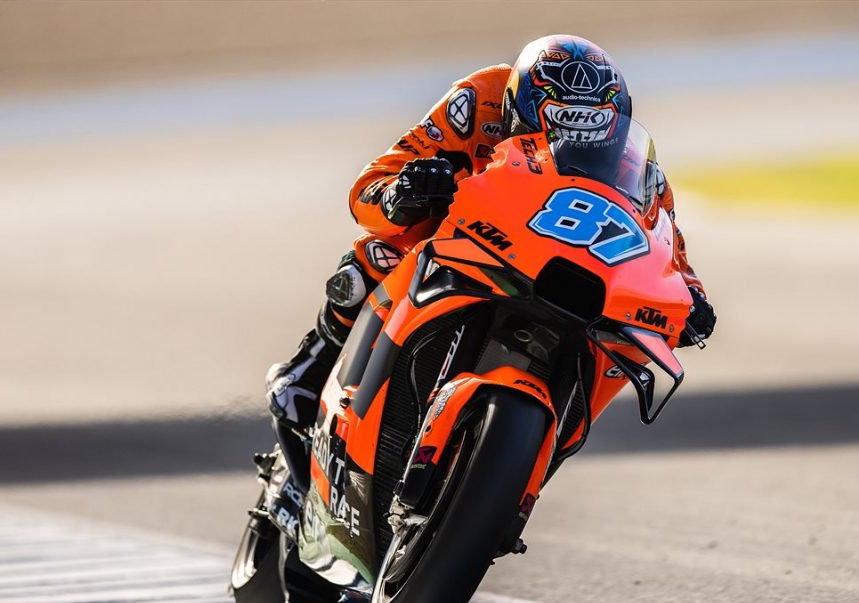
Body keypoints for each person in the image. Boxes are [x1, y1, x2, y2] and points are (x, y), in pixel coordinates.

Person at [266, 35, 716, 431]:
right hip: (471, 238)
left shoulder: (638, 169)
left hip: (562, 271)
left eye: (592, 136)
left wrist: (692, 298)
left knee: (622, 342)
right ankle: (311, 367)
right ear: (516, 109)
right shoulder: (477, 103)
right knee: (380, 255)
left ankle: (538, 459)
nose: (576, 147)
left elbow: (667, 248)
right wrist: (402, 193)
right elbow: (370, 185)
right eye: (557, 132)